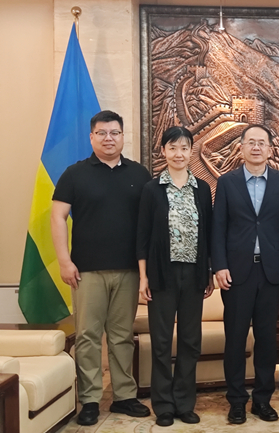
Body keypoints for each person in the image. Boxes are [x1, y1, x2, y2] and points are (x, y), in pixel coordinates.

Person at [51, 110, 152, 425]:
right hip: (86, 271)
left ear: (123, 136)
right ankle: (91, 399)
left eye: (115, 133)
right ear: (92, 137)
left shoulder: (140, 174)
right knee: (88, 336)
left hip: (128, 270)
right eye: (102, 133)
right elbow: (57, 217)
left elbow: (150, 222)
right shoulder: (74, 174)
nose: (109, 138)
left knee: (122, 336)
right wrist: (64, 261)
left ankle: (124, 396)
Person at [211, 124, 279, 424]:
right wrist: (219, 265)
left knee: (266, 339)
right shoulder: (227, 182)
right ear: (242, 148)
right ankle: (236, 400)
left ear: (270, 149)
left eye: (262, 143)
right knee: (235, 338)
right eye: (251, 142)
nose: (256, 147)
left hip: (270, 272)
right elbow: (218, 227)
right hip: (236, 273)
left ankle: (262, 400)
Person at [136, 126, 214, 427]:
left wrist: (208, 272)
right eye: (172, 148)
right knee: (161, 341)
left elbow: (208, 234)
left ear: (191, 151)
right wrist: (143, 277)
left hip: (194, 275)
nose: (178, 154)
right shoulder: (152, 189)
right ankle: (164, 405)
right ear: (164, 151)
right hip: (162, 274)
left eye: (184, 148)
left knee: (191, 341)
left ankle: (184, 403)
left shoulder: (202, 189)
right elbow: (142, 236)